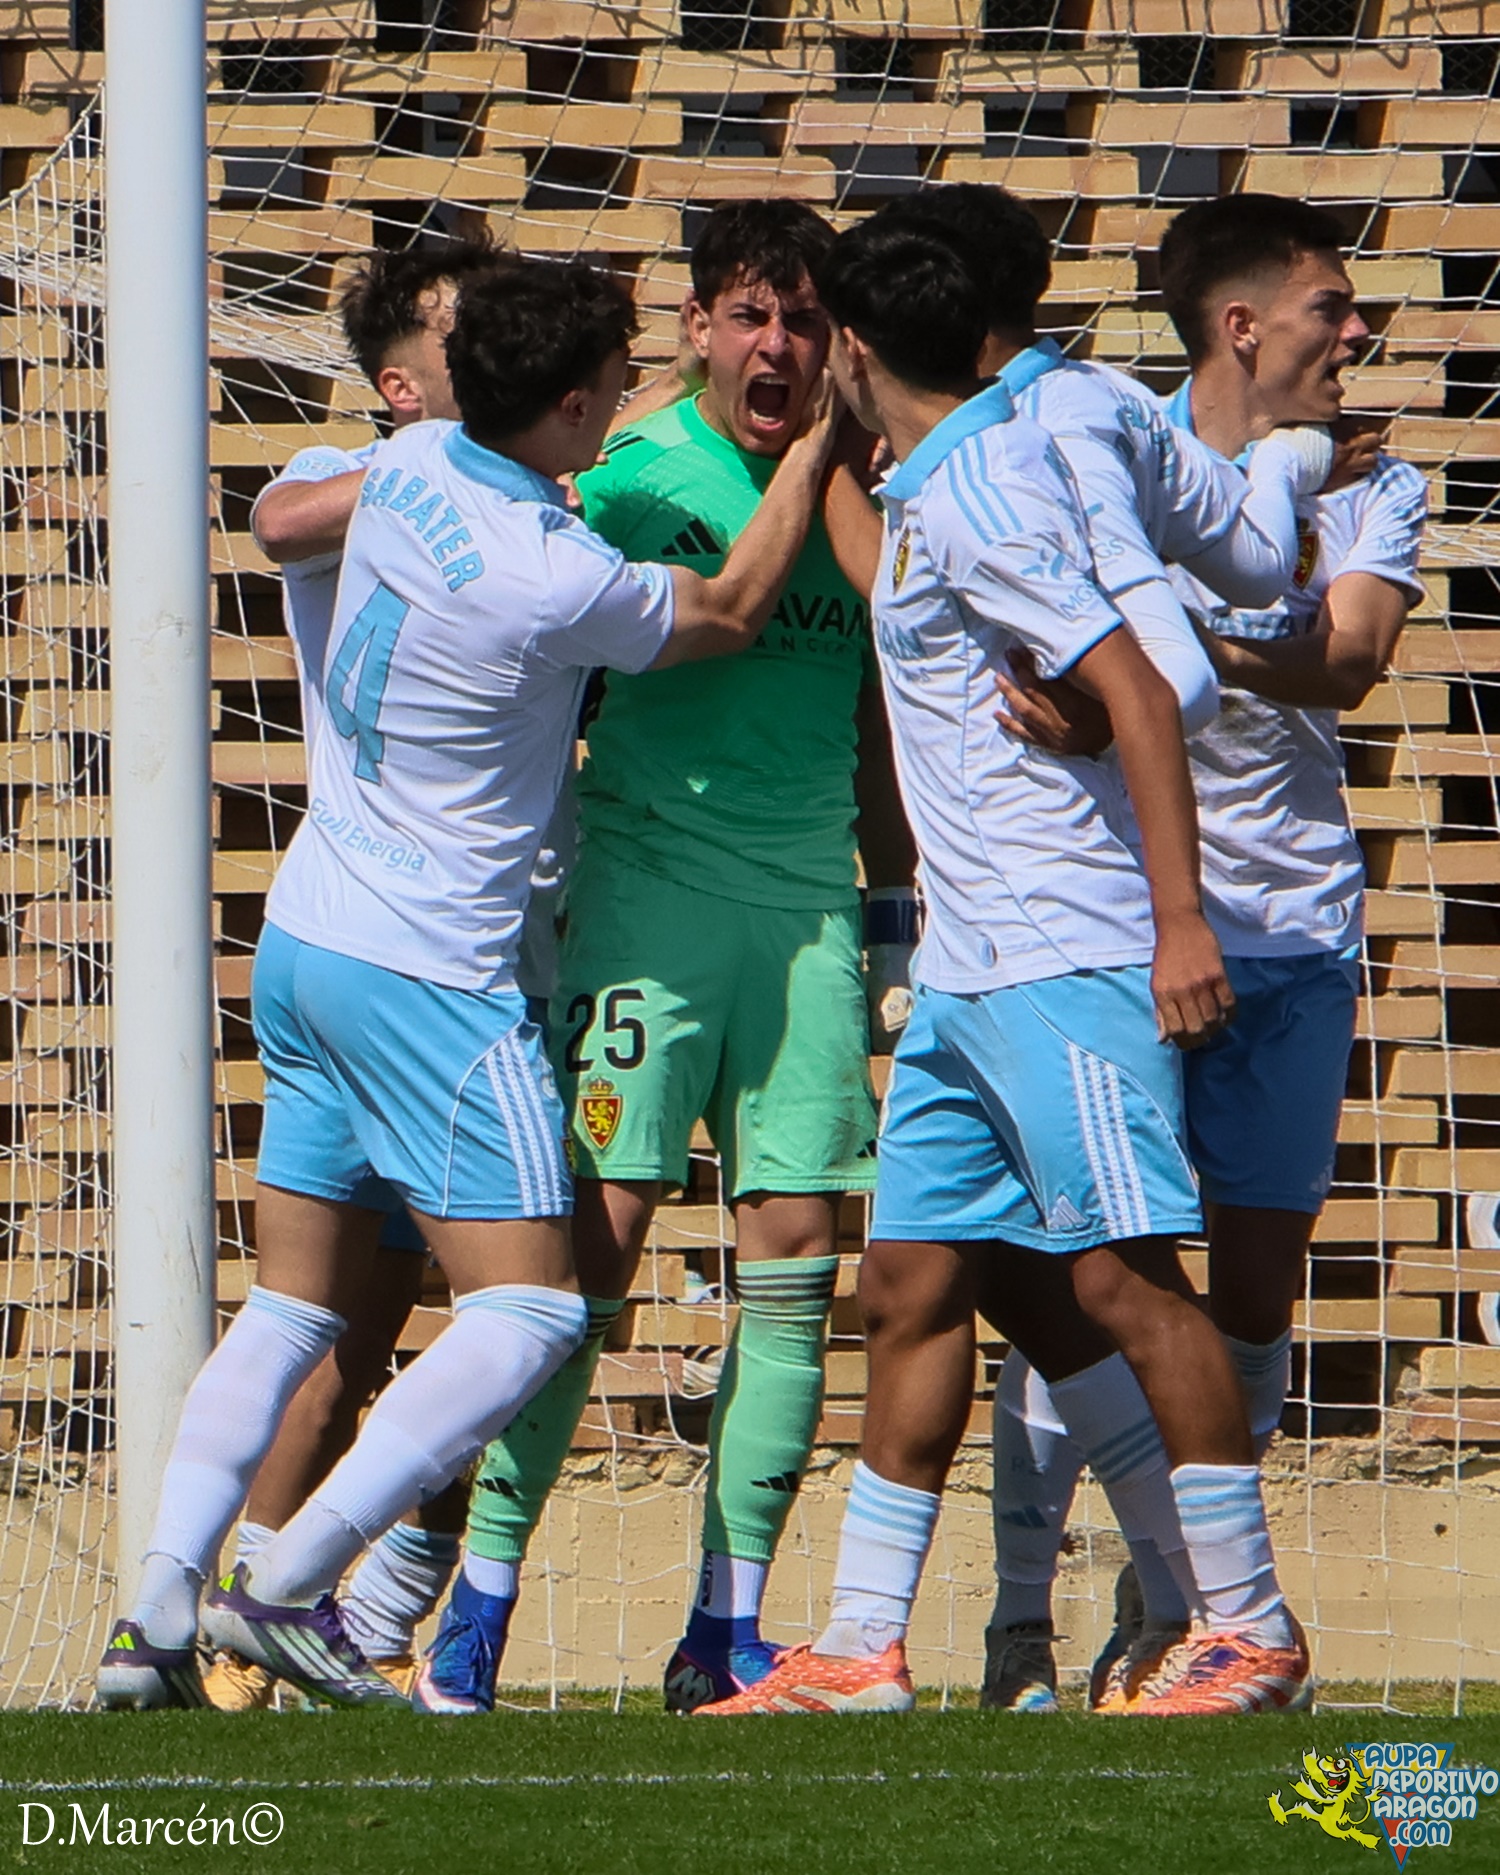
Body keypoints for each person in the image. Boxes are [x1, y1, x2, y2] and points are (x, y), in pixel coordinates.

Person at [96, 254, 837, 1710]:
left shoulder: (408, 463)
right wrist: (813, 449)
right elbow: (733, 611)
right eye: (613, 387)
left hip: (308, 939)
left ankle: (155, 1615)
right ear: (568, 406)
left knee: (293, 1307)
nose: (625, 405)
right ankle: (291, 1583)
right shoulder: (551, 571)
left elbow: (291, 516)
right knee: (535, 1314)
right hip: (434, 973)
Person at [701, 213, 1306, 1719]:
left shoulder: (989, 489)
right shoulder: (934, 479)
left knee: (1122, 1283)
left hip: (1066, 955)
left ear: (853, 343)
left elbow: (1140, 690)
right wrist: (829, 457)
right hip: (968, 972)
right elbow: (894, 581)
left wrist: (1179, 924)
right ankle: (861, 1647)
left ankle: (1248, 1631)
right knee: (907, 1284)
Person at [416, 199, 916, 1717]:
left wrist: (895, 898)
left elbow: (882, 702)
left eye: (805, 320)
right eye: (751, 315)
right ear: (698, 328)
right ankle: (477, 1604)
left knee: (796, 1259)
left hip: (806, 919)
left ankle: (725, 1631)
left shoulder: (866, 492)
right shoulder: (630, 480)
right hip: (645, 908)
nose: (779, 346)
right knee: (595, 1252)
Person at [983, 193, 1427, 1713]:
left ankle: (1172, 1594)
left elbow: (1349, 660)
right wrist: (1129, 674)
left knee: (1247, 1297)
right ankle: (1021, 1624)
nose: (1357, 332)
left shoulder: (1374, 479)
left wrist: (1162, 656)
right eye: (1330, 308)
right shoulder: (1111, 456)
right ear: (1241, 325)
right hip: (1123, 929)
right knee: (1095, 1272)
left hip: (1293, 935)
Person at [200, 235, 502, 1713]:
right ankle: (244, 1619)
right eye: (462, 331)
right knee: (363, 1317)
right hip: (394, 956)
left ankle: (359, 1614)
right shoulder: (364, 471)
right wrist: (432, 467)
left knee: (524, 1312)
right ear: (401, 384)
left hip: (518, 942)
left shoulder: (547, 483)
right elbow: (279, 519)